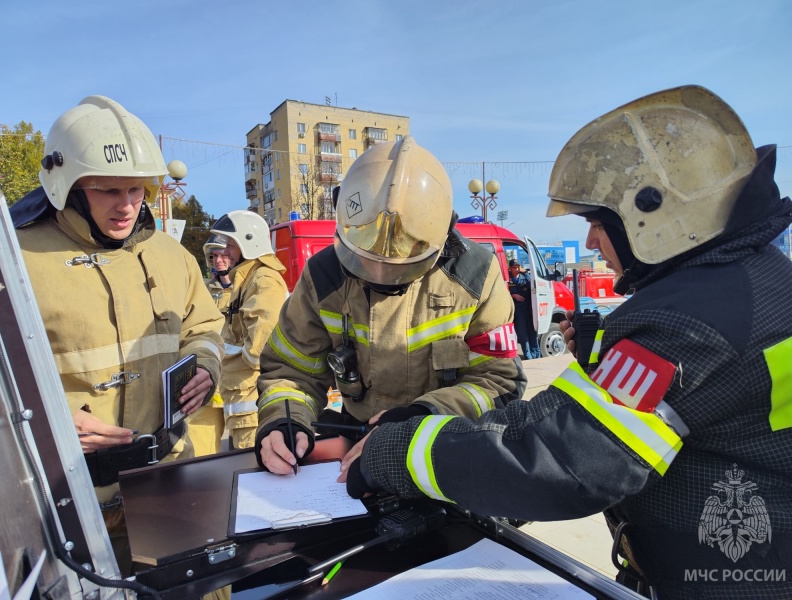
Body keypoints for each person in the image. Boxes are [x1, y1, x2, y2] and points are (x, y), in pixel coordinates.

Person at [339, 86, 792, 599]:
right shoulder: (753, 282)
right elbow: (591, 420)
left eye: (598, 223)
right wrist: (608, 360)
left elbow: (561, 461)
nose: (593, 242)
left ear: (658, 213)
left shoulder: (689, 320)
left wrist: (395, 453)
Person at [11, 95, 225, 574]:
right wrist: (43, 420)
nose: (127, 206)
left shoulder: (173, 256)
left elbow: (205, 326)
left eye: (137, 189)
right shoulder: (13, 259)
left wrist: (206, 366)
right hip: (64, 497)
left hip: (169, 478)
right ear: (68, 186)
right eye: (108, 190)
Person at [256, 135, 526, 475]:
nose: (380, 275)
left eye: (402, 266)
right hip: (356, 448)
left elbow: (498, 381)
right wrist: (284, 421)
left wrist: (423, 417)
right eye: (363, 260)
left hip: (447, 449)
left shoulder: (475, 276)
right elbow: (291, 371)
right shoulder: (322, 278)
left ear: (441, 237)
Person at [210, 210, 288, 450]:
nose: (227, 252)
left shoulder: (263, 279)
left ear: (248, 243)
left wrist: (232, 355)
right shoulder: (248, 279)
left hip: (253, 404)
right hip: (243, 403)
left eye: (231, 245)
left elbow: (260, 347)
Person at [186, 234, 235, 456]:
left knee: (246, 453)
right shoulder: (203, 292)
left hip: (240, 382)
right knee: (200, 453)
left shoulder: (251, 288)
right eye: (214, 256)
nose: (218, 260)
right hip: (210, 381)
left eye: (224, 254)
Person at [508, 259, 540, 360]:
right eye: (514, 267)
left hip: (528, 310)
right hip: (518, 311)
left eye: (518, 267)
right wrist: (513, 295)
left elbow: (534, 285)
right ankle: (528, 356)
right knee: (523, 334)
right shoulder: (507, 279)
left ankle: (536, 355)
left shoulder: (524, 277)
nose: (517, 269)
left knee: (532, 332)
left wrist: (526, 273)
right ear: (510, 268)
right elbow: (503, 292)